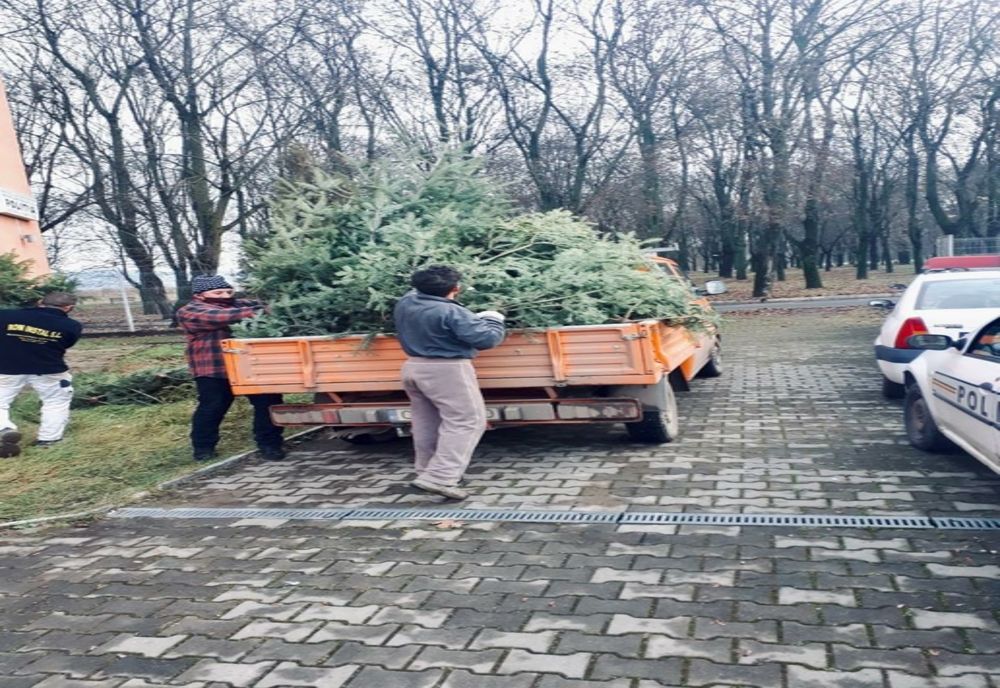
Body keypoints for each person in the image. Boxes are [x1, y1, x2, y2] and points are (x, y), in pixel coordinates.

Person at [393, 265, 506, 500]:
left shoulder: (406, 302)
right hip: (447, 370)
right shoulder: (451, 312)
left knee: (427, 422)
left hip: (413, 367)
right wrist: (493, 319)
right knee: (468, 421)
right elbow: (486, 339)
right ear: (456, 288)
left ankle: (426, 472)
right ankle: (440, 478)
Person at [175, 275, 285, 462]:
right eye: (218, 293)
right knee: (212, 407)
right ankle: (203, 449)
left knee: (268, 403)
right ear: (199, 295)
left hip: (249, 366)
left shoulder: (238, 304)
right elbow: (222, 316)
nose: (225, 296)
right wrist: (263, 310)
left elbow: (257, 304)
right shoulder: (190, 311)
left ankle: (270, 445)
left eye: (228, 291)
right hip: (214, 369)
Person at [0, 292, 83, 457]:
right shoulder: (72, 326)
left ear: (40, 302)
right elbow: (66, 344)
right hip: (49, 369)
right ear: (69, 308)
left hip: (6, 367)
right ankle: (49, 440)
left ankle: (4, 429)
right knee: (55, 402)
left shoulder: (6, 315)